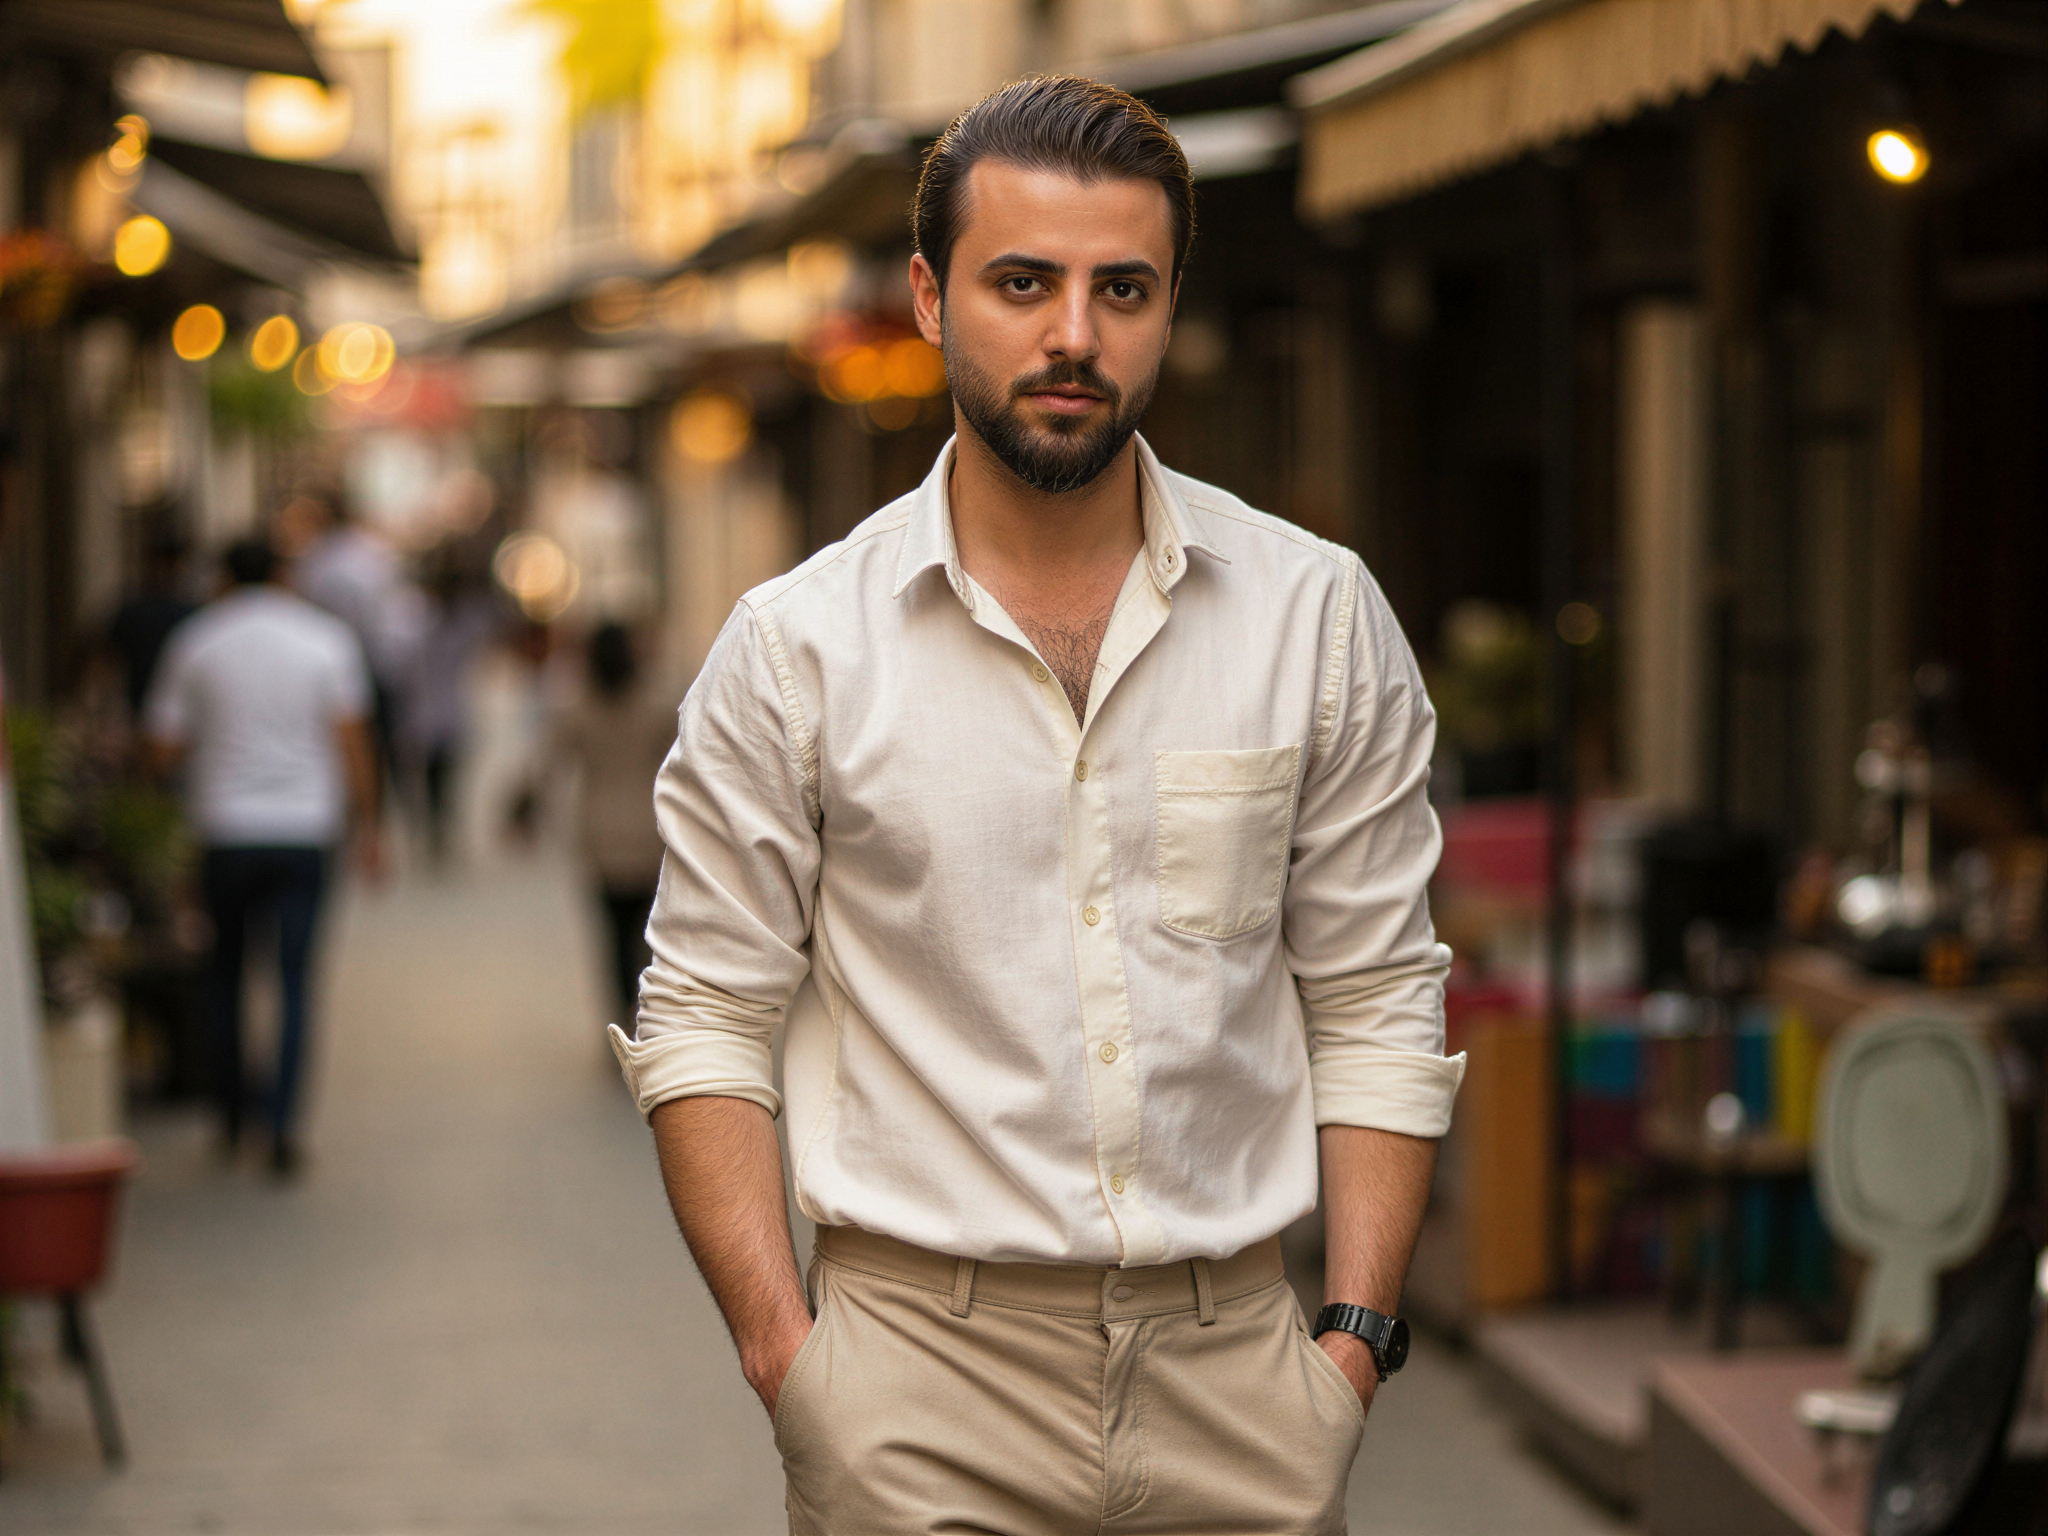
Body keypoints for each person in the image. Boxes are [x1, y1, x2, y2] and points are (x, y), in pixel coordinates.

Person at [612, 76, 1464, 1534]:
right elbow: (703, 1013)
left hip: (1240, 1384)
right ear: (929, 298)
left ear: (1168, 306)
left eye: (1121, 288)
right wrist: (786, 1358)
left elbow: (1377, 992)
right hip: (913, 1386)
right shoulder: (798, 649)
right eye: (1023, 283)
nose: (1075, 334)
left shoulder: (1313, 617)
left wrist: (1352, 1345)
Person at [144, 537, 381, 1177]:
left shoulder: (197, 641)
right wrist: (371, 828)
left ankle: (230, 1113)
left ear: (222, 577)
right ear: (284, 574)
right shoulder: (324, 639)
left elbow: (162, 749)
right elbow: (352, 740)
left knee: (224, 974)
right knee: (295, 981)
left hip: (224, 830)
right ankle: (282, 1126)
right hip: (305, 830)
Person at [555, 623, 672, 1022]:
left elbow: (549, 763)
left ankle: (621, 1013)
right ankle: (649, 1010)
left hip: (600, 835)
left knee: (613, 936)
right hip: (650, 834)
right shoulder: (658, 705)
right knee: (651, 934)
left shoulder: (577, 708)